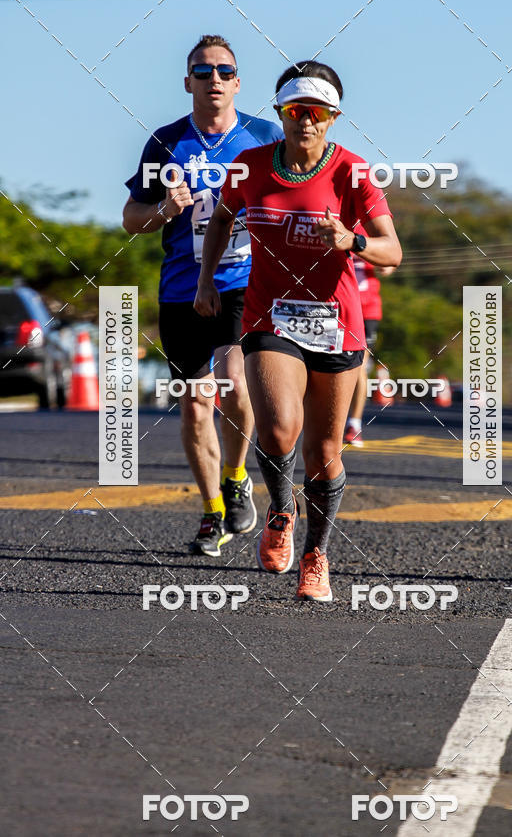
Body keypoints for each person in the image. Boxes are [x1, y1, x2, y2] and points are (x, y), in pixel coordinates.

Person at [194, 61, 402, 601]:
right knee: (278, 428)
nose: (304, 122)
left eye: (315, 113)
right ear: (281, 113)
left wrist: (352, 243)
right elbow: (220, 219)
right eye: (293, 111)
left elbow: (392, 251)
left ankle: (316, 554)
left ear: (332, 117)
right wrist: (207, 281)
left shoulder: (353, 174)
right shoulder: (251, 165)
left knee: (324, 451)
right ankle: (281, 511)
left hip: (337, 327)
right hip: (269, 316)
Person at [122, 34, 283, 557]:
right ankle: (213, 511)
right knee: (195, 406)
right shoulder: (166, 142)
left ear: (237, 82)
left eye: (223, 70)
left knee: (236, 383)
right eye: (202, 71)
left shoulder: (264, 137)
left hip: (244, 281)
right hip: (180, 290)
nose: (213, 79)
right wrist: (166, 211)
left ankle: (237, 476)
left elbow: (293, 199)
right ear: (187, 81)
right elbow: (131, 220)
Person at [343, 258, 395, 447]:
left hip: (366, 310)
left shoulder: (371, 229)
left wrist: (385, 265)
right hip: (337, 304)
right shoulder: (330, 227)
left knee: (359, 366)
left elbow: (389, 262)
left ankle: (353, 425)